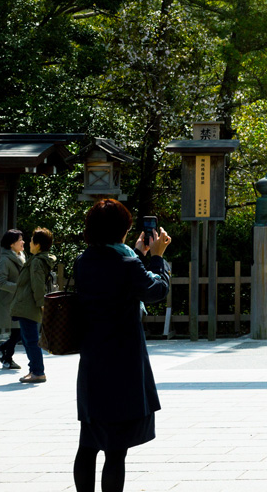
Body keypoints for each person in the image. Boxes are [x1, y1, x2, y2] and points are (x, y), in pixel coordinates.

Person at [73, 199, 171, 492]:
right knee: (116, 449)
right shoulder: (127, 263)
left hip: (92, 359)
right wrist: (156, 258)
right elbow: (155, 290)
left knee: (88, 442)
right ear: (123, 229)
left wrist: (139, 256)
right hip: (123, 362)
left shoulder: (84, 261)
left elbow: (119, 276)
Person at [9, 227, 56, 383]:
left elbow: (37, 285)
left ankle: (38, 371)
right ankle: (33, 370)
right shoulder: (39, 259)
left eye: (31, 240)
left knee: (31, 340)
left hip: (29, 306)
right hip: (28, 305)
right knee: (29, 339)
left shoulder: (36, 261)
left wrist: (41, 304)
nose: (29, 243)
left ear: (38, 244)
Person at [0, 229, 26, 370]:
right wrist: (19, 287)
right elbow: (0, 282)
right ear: (11, 244)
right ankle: (6, 356)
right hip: (8, 301)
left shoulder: (21, 255)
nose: (23, 242)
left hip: (18, 301)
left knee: (19, 332)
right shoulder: (5, 260)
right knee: (18, 332)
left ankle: (4, 352)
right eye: (20, 240)